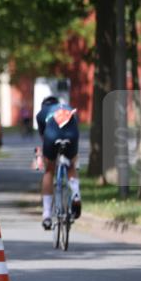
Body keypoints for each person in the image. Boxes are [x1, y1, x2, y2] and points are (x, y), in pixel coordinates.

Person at [36, 95, 81, 230]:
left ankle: (47, 214)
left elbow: (43, 137)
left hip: (52, 134)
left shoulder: (42, 113)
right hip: (71, 134)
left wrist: (46, 157)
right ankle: (75, 193)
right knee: (71, 165)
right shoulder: (68, 108)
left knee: (49, 171)